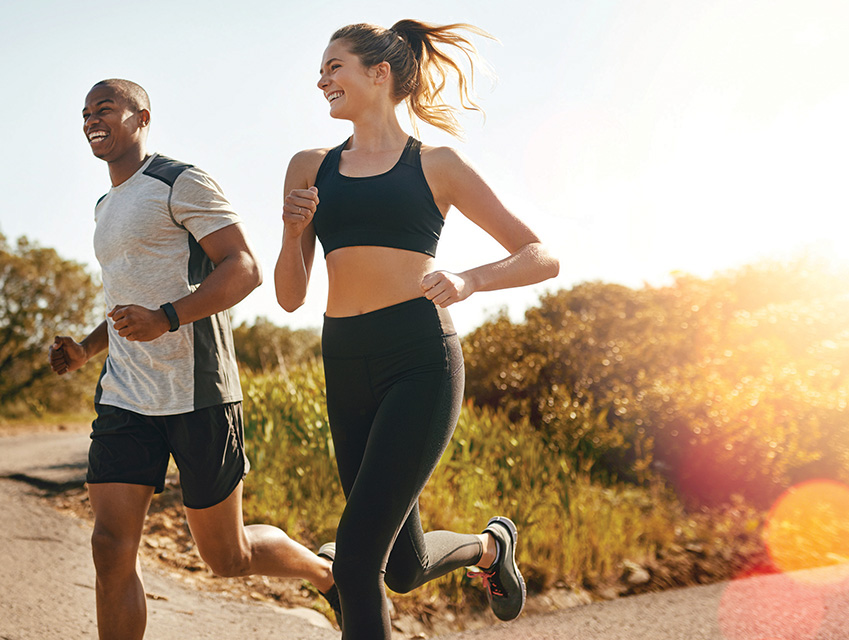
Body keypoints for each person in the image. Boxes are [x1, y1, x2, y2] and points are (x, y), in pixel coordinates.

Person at [274, 19, 560, 640]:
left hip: (419, 359)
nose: (321, 79)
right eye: (322, 69)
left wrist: (470, 280)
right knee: (401, 567)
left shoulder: (437, 165)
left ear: (379, 74)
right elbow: (291, 297)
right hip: (344, 361)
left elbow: (540, 256)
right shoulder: (309, 166)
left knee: (353, 562)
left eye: (334, 66)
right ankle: (491, 547)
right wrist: (294, 232)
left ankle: (481, 550)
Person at [49, 79, 335, 640]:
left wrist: (168, 317)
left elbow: (243, 268)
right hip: (126, 394)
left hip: (198, 392)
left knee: (226, 557)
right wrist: (86, 349)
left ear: (141, 116)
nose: (91, 120)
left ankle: (328, 575)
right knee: (109, 548)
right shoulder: (106, 205)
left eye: (104, 108)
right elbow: (123, 301)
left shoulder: (180, 181)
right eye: (84, 113)